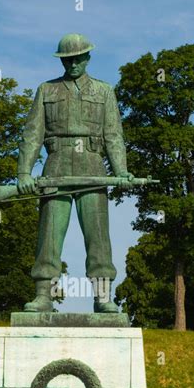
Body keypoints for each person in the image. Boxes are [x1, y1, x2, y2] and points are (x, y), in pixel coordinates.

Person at [17, 33, 133, 313]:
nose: (73, 64)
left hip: (93, 167)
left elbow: (113, 134)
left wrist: (121, 171)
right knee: (49, 234)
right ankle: (43, 293)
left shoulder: (104, 91)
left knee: (98, 236)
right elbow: (33, 134)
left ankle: (103, 295)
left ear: (88, 58)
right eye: (67, 59)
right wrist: (23, 172)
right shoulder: (47, 90)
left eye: (78, 58)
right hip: (56, 164)